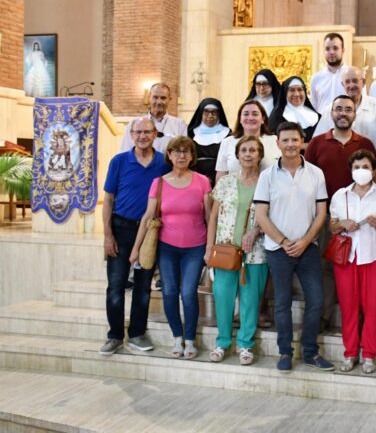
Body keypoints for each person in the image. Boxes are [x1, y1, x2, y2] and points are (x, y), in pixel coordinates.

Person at [252, 121, 335, 372]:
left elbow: (322, 213)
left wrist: (305, 241)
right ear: (277, 143)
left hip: (308, 248)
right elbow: (261, 215)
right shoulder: (267, 175)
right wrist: (285, 242)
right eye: (285, 140)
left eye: (294, 140)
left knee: (316, 300)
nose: (290, 144)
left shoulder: (315, 173)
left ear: (302, 142)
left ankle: (310, 352)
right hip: (278, 250)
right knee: (282, 303)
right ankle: (285, 352)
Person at [130, 136, 212, 360]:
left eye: (186, 151)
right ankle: (177, 338)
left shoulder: (203, 181)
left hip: (195, 247)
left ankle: (190, 340)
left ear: (192, 156)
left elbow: (210, 216)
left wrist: (211, 247)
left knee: (188, 293)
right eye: (177, 151)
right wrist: (136, 248)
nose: (181, 155)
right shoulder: (160, 182)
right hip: (167, 247)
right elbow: (148, 216)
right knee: (169, 292)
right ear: (169, 155)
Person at [100, 117, 170, 355]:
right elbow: (108, 200)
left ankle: (137, 334)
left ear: (155, 134)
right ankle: (115, 335)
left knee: (143, 285)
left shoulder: (163, 162)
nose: (142, 136)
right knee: (116, 285)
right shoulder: (119, 161)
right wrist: (108, 235)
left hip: (150, 232)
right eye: (138, 132)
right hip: (121, 228)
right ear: (132, 134)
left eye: (147, 132)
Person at [306, 94, 376, 331]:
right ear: (331, 113)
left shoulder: (365, 143)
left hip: (360, 217)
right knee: (326, 266)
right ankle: (325, 315)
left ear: (355, 114)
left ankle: (358, 315)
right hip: (327, 215)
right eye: (338, 109)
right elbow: (307, 181)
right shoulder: (317, 143)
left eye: (348, 109)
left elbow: (373, 177)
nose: (343, 113)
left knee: (359, 266)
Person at [329, 150, 376, 374]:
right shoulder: (341, 195)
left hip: (375, 255)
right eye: (357, 167)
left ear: (374, 170)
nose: (361, 171)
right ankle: (350, 353)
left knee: (372, 307)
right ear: (351, 170)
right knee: (348, 307)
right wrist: (342, 224)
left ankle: (368, 354)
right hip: (347, 258)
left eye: (365, 167)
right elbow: (331, 225)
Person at [205, 136, 268, 365]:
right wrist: (209, 247)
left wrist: (257, 231)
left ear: (260, 155)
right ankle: (222, 343)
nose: (248, 154)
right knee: (223, 298)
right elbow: (213, 217)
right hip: (225, 251)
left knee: (251, 301)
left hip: (256, 252)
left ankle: (245, 345)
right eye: (244, 150)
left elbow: (271, 216)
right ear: (237, 155)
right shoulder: (226, 182)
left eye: (253, 150)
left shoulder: (267, 182)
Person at [312, 67, 376, 153]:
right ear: (343, 84)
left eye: (355, 81)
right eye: (347, 82)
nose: (351, 86)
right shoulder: (331, 109)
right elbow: (317, 140)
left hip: (366, 164)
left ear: (363, 82)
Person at [216, 99, 280, 181]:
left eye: (255, 114)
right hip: (236, 192)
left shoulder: (275, 140)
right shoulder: (227, 142)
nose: (250, 118)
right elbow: (221, 176)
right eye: (246, 114)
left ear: (263, 119)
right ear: (240, 119)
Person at [120, 83, 187, 153]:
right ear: (149, 98)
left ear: (169, 99)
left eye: (163, 98)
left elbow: (183, 153)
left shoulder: (179, 125)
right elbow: (126, 151)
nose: (159, 102)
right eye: (155, 97)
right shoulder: (134, 124)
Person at [187, 98, 231, 186]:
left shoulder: (228, 134)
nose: (210, 115)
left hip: (221, 178)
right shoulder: (191, 133)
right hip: (196, 178)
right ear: (201, 114)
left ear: (219, 114)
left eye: (214, 112)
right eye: (206, 112)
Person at [268, 76, 321, 145]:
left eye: (300, 89)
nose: (297, 94)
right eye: (292, 90)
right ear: (285, 93)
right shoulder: (277, 117)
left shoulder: (317, 117)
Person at [310, 33, 348, 112]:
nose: (331, 52)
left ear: (343, 50)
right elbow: (314, 106)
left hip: (346, 122)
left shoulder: (352, 76)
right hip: (322, 123)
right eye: (327, 49)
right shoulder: (316, 78)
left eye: (335, 48)